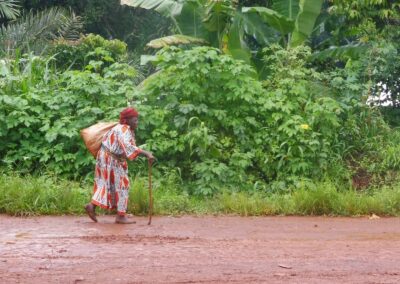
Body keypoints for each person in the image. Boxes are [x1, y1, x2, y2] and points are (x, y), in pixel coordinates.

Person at [84, 107, 154, 224]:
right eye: (135, 120)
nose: (137, 122)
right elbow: (128, 147)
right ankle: (120, 216)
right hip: (110, 158)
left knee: (106, 184)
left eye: (137, 120)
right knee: (122, 185)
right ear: (127, 120)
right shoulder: (123, 129)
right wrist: (146, 153)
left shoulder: (122, 128)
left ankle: (92, 206)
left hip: (107, 157)